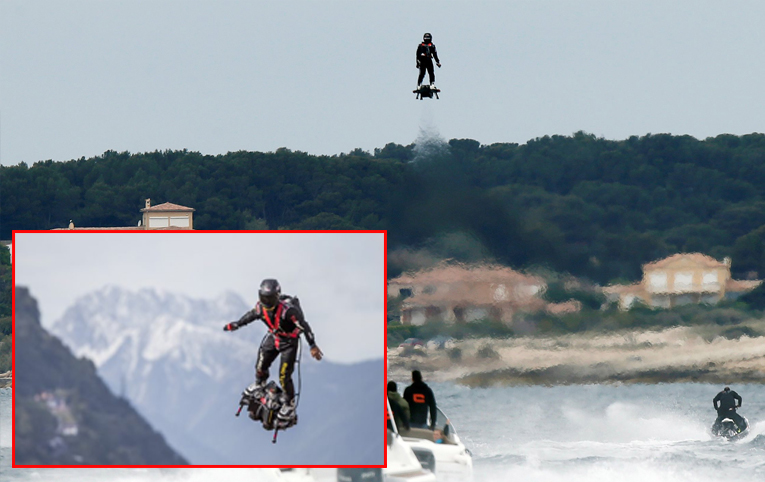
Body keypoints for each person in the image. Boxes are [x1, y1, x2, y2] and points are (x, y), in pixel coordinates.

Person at [224, 279, 323, 424]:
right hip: (274, 337)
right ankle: (260, 383)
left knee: (284, 376)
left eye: (269, 298)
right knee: (260, 365)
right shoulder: (260, 308)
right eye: (263, 298)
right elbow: (250, 316)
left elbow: (304, 326)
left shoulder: (289, 312)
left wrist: (313, 345)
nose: (266, 301)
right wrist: (237, 324)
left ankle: (289, 403)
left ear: (277, 297)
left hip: (289, 343)